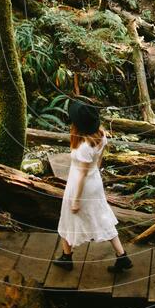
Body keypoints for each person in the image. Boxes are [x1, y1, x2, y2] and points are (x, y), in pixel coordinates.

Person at [53, 99, 133, 273]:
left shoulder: (83, 146)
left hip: (80, 186)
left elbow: (81, 175)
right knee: (102, 216)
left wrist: (76, 200)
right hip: (94, 181)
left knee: (68, 217)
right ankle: (122, 256)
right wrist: (94, 171)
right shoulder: (101, 135)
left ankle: (67, 258)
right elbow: (99, 160)